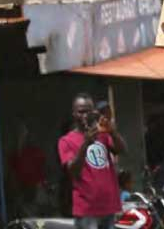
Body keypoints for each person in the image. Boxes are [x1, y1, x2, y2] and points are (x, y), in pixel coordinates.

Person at [58, 94, 127, 229]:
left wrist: (112, 132)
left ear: (94, 112)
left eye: (88, 111)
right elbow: (72, 171)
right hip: (87, 210)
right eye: (80, 112)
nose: (84, 115)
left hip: (109, 206)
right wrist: (85, 144)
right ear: (74, 114)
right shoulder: (66, 141)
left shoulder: (103, 134)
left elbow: (122, 150)